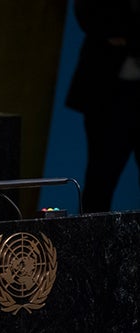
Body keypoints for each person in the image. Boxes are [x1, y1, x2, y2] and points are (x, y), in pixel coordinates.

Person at [66, 0, 140, 213]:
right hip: (107, 93)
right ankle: (93, 244)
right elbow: (88, 14)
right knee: (101, 179)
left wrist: (128, 39)